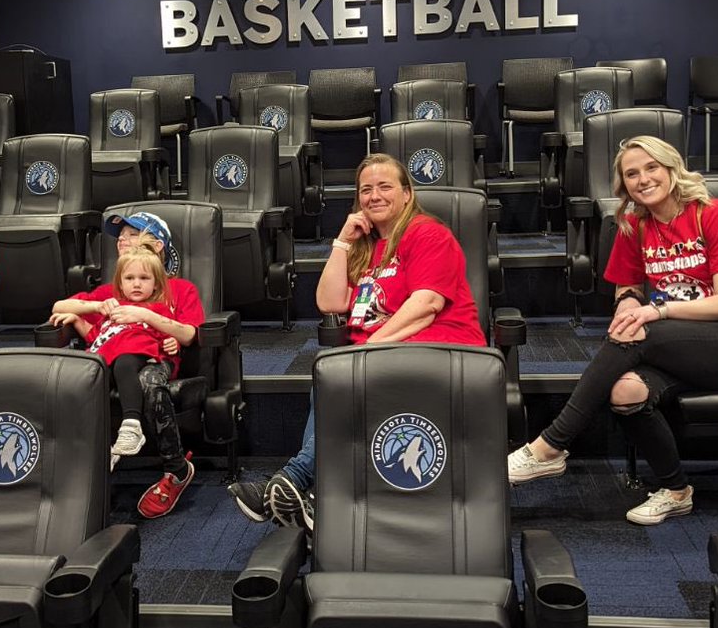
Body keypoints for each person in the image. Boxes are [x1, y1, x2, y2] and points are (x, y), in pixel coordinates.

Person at [507, 136, 718, 524]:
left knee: (641, 331)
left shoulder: (715, 214)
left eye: (651, 168)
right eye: (631, 173)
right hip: (682, 342)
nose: (643, 179)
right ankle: (676, 490)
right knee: (626, 391)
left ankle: (550, 445)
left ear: (672, 170)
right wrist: (630, 305)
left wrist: (656, 311)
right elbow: (628, 287)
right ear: (623, 184)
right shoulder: (634, 225)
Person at [229, 153, 486, 530]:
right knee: (331, 369)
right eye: (366, 189)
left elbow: (426, 305)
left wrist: (366, 350)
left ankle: (299, 482)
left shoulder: (428, 233)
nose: (374, 195)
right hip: (383, 353)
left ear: (407, 193)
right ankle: (311, 494)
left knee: (344, 372)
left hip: (441, 349)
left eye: (385, 186)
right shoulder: (367, 250)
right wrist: (342, 242)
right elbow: (329, 302)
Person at [55, 211, 205, 518]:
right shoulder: (116, 290)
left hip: (152, 359)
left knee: (148, 380)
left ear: (157, 244)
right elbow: (62, 307)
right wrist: (92, 309)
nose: (122, 240)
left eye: (131, 234)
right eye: (120, 236)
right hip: (109, 357)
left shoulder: (180, 289)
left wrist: (151, 319)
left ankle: (175, 469)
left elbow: (190, 333)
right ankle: (83, 468)